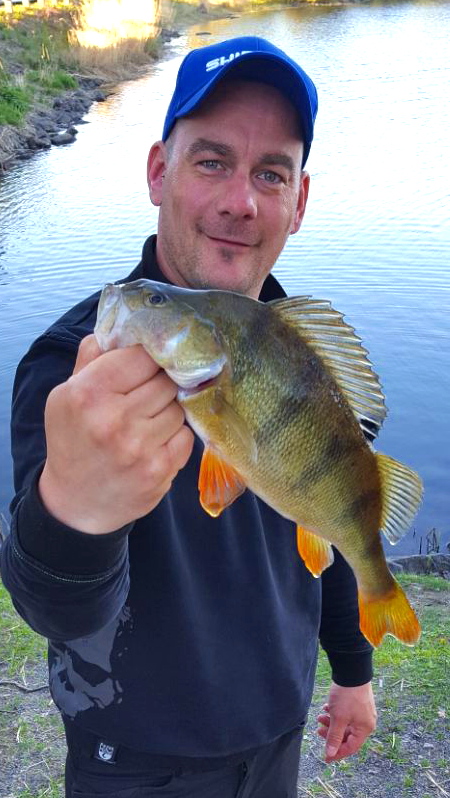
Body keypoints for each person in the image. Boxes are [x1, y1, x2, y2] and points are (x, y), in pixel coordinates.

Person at [1, 36, 377, 798]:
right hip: (134, 753)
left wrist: (353, 670)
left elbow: (334, 521)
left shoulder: (310, 361)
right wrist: (72, 512)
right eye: (211, 161)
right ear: (157, 172)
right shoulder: (73, 370)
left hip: (277, 728)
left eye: (271, 173)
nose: (241, 200)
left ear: (299, 202)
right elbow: (56, 608)